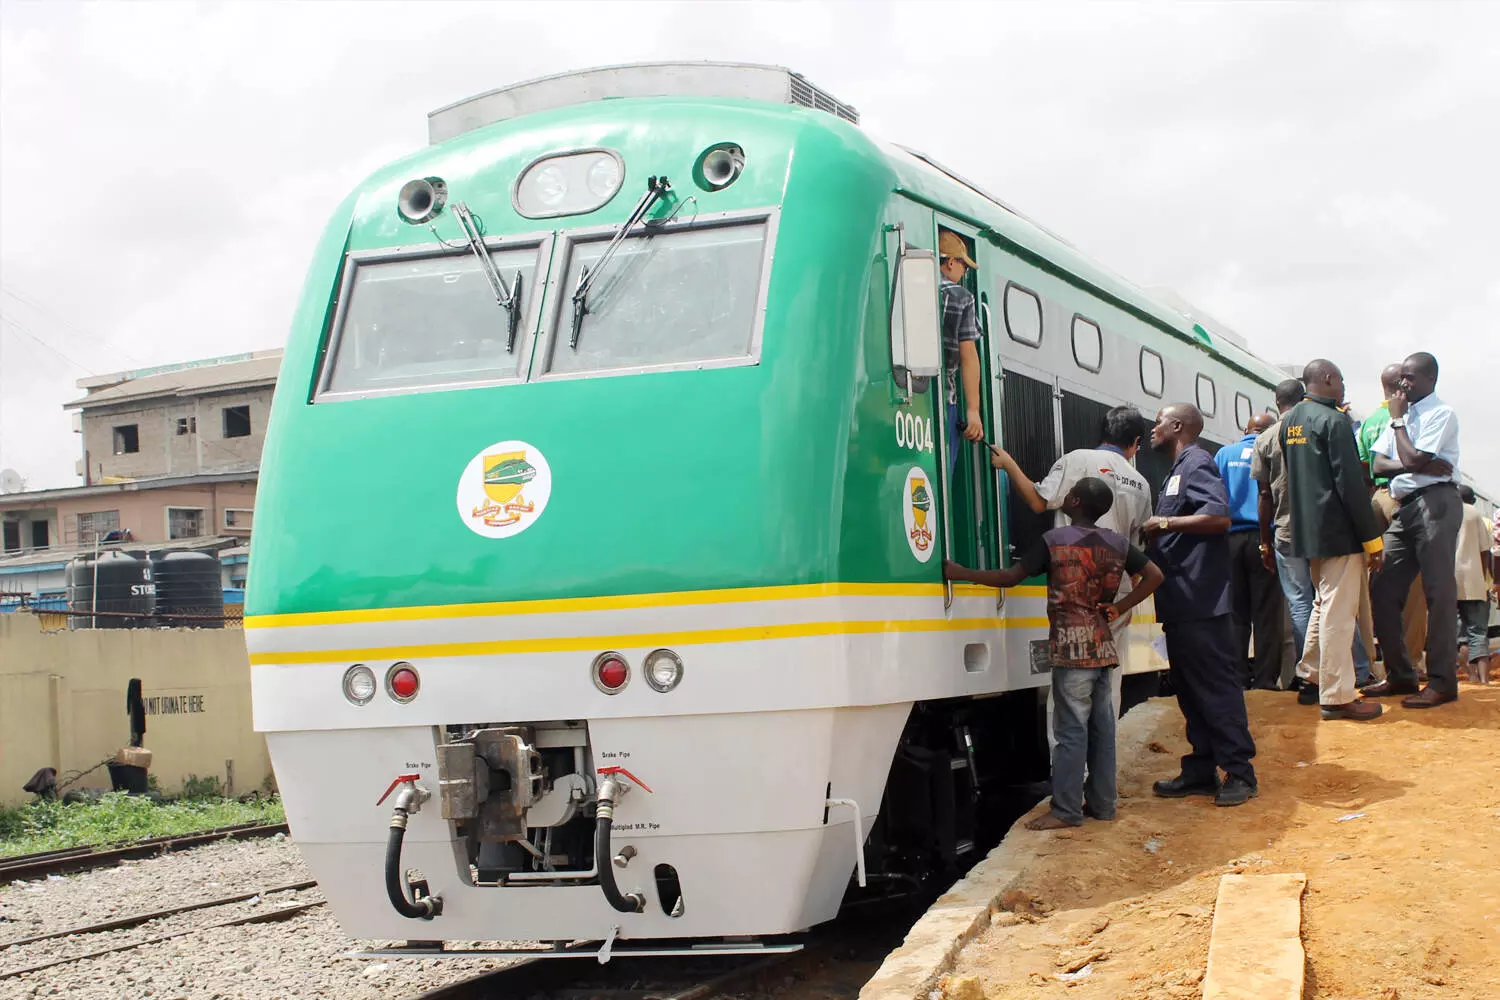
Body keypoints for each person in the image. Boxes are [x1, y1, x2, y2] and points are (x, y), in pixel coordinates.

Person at [945, 478, 1163, 830]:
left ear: (1074, 501)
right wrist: (1120, 606)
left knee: (1071, 732)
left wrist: (961, 573)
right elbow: (1154, 575)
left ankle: (1065, 809)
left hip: (1070, 650)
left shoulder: (1055, 541)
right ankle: (1104, 805)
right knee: (1102, 729)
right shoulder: (1118, 543)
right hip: (1103, 647)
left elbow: (1010, 576)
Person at [988, 405, 1155, 721]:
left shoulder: (1077, 460)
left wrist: (1009, 464)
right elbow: (1137, 552)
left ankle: (1069, 769)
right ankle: (1104, 765)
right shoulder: (1141, 483)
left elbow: (1038, 501)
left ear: (1102, 433)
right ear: (1135, 443)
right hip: (1115, 595)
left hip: (1075, 590)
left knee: (1069, 687)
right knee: (1109, 682)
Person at [1140, 403, 1259, 806]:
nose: (1153, 428)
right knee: (1190, 691)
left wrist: (1166, 523)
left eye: (1159, 421)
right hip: (1181, 601)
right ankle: (1200, 770)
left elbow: (1219, 517)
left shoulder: (1197, 462)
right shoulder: (1176, 470)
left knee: (1215, 688)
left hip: (1202, 601)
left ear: (1177, 426)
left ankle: (1240, 773)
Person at [1279, 360, 1385, 721]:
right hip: (1339, 532)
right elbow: (1350, 485)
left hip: (1308, 531)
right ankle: (1337, 696)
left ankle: (1309, 675)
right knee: (1340, 614)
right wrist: (1371, 538)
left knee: (1323, 605)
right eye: (1340, 378)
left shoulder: (1291, 421)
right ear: (1327, 379)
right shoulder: (1335, 421)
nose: (1342, 386)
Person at [1364, 352, 1462, 708]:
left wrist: (1402, 434)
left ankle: (1442, 682)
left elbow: (1410, 459)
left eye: (1410, 378)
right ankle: (1401, 675)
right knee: (1382, 587)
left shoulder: (1441, 414)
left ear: (1429, 380)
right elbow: (1380, 464)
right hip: (1406, 508)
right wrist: (1420, 461)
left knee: (1438, 592)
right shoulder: (1402, 417)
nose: (1402, 384)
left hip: (1437, 503)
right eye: (1401, 377)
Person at [1360, 362, 1427, 679]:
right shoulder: (1409, 415)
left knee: (1377, 581)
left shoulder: (1367, 422)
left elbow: (1364, 468)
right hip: (1404, 498)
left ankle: (1380, 662)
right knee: (1414, 585)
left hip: (1375, 499)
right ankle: (1410, 662)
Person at [1218, 412, 1289, 690]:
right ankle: (1265, 680)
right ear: (1270, 431)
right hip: (1266, 538)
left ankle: (1236, 680)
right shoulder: (1274, 451)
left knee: (1236, 614)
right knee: (1266, 614)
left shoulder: (1224, 454)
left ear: (1245, 429)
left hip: (1230, 540)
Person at [938, 229, 984, 474]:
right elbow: (968, 355)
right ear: (951, 262)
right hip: (944, 398)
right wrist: (973, 410)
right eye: (964, 266)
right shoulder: (961, 297)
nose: (964, 272)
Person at [1454, 485, 1492, 681]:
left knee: (1459, 636)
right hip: (1473, 580)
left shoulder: (1444, 512)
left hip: (1449, 581)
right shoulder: (1474, 514)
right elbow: (1485, 549)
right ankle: (1484, 679)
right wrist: (1483, 576)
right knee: (1477, 631)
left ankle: (1471, 677)